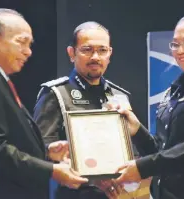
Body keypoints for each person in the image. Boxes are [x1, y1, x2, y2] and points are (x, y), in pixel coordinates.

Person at [110, 12, 184, 199]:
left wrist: (143, 167)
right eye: (175, 44)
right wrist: (137, 130)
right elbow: (163, 149)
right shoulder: (174, 90)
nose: (180, 50)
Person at [0, 8, 88, 199]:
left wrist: (45, 152)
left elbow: (9, 141)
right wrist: (50, 170)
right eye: (21, 42)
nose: (28, 52)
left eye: (30, 45)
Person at [33, 21, 132, 199]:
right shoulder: (55, 93)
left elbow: (132, 151)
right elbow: (39, 152)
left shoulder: (120, 96)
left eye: (102, 50)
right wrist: (93, 178)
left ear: (110, 53)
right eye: (87, 49)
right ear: (72, 53)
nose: (95, 57)